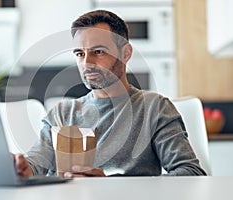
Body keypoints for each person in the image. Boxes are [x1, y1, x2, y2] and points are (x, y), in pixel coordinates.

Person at [14, 10, 206, 178]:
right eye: (80, 54)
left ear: (125, 53)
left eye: (98, 51)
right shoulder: (62, 113)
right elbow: (35, 165)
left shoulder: (154, 108)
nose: (87, 62)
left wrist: (109, 185)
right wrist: (19, 167)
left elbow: (190, 172)